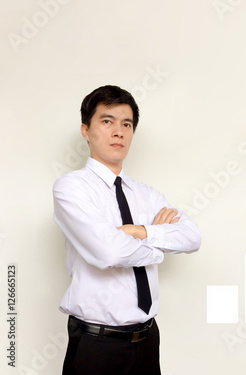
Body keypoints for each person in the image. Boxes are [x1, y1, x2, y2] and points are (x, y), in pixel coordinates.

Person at [53, 85, 201, 374]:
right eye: (107, 121)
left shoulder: (147, 195)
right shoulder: (71, 188)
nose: (118, 131)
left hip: (147, 339)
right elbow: (108, 252)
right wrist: (158, 243)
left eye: (127, 124)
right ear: (86, 130)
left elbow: (192, 237)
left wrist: (137, 231)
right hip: (96, 344)